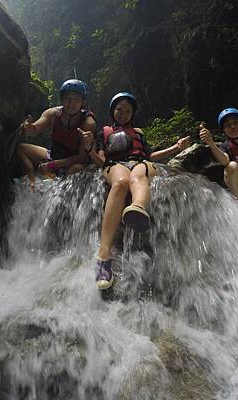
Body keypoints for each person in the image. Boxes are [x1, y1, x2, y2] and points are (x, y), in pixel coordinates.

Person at [79, 92, 190, 290]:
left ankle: (137, 207)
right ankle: (103, 255)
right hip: (115, 164)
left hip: (140, 163)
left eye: (127, 111)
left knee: (138, 176)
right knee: (121, 182)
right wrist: (89, 149)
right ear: (113, 111)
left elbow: (151, 155)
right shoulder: (103, 133)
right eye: (119, 109)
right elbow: (101, 161)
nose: (122, 113)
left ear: (132, 114)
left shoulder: (138, 132)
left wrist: (175, 148)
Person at [17, 79, 97, 190]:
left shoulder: (88, 122)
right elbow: (35, 129)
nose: (71, 103)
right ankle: (32, 181)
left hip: (73, 162)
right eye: (68, 98)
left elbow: (82, 157)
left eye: (76, 99)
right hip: (54, 155)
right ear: (62, 99)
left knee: (76, 169)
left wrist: (52, 165)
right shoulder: (52, 114)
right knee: (21, 148)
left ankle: (56, 188)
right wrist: (28, 128)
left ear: (83, 102)